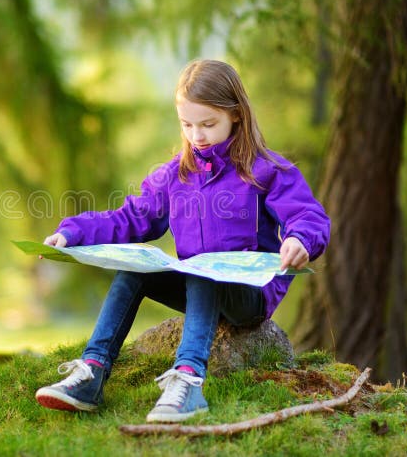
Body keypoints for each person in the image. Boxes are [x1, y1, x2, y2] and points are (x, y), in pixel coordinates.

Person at [34, 59, 330, 423]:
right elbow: (132, 218)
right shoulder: (175, 175)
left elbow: (308, 216)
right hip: (197, 287)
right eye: (187, 125)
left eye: (208, 124)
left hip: (248, 295)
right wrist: (72, 233)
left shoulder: (265, 168)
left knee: (204, 269)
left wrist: (301, 239)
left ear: (235, 114)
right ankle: (91, 374)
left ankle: (188, 382)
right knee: (135, 270)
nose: (197, 136)